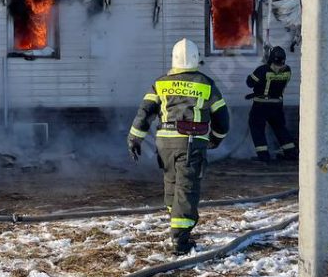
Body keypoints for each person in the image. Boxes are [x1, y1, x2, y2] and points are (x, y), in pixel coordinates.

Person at [127, 39, 230, 255]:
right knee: (186, 187)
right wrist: (216, 138)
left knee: (172, 183)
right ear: (196, 58)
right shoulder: (206, 84)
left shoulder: (160, 83)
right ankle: (180, 239)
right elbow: (222, 117)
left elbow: (145, 113)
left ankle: (176, 222)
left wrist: (134, 138)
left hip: (165, 143)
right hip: (191, 143)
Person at [245, 46, 297, 162]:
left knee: (257, 128)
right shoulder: (288, 70)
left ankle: (263, 156)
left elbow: (249, 83)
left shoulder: (263, 69)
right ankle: (291, 153)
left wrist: (263, 65)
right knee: (280, 128)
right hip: (277, 105)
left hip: (261, 105)